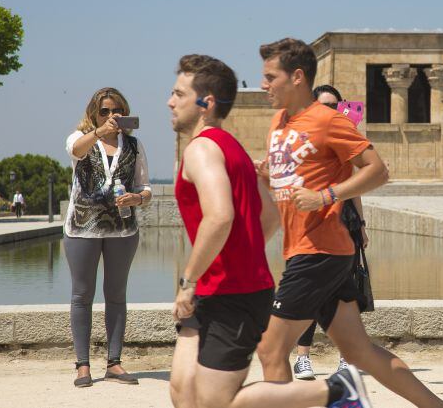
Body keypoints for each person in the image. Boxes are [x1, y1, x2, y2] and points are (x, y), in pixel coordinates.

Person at [255, 38, 443, 408]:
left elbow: (378, 171)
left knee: (270, 352)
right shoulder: (279, 123)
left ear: (297, 77)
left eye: (270, 77)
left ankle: (341, 393)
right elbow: (289, 186)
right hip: (312, 252)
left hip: (319, 251)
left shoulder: (328, 121)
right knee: (358, 351)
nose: (263, 85)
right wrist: (265, 174)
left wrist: (327, 196)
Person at [167, 54, 372, 408]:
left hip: (232, 294)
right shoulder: (232, 149)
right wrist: (237, 256)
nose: (170, 102)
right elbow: (271, 218)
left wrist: (187, 280)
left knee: (216, 402)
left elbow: (219, 217)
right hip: (215, 288)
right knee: (184, 394)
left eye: (179, 94)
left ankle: (338, 389)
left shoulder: (201, 150)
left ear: (206, 103)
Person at [64, 87, 152, 388]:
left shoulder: (135, 145)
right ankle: (82, 365)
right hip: (82, 228)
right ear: (94, 113)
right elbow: (76, 153)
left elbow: (146, 186)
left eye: (117, 110)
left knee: (116, 295)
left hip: (122, 230)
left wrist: (137, 199)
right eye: (105, 110)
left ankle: (114, 362)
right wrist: (99, 131)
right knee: (82, 295)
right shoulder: (79, 138)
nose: (112, 115)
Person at [293, 84, 370, 381]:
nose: (330, 111)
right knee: (309, 290)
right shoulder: (301, 139)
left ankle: (346, 358)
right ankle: (302, 358)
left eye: (335, 106)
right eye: (324, 105)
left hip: (345, 222)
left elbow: (356, 185)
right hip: (312, 223)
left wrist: (361, 225)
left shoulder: (346, 137)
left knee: (346, 291)